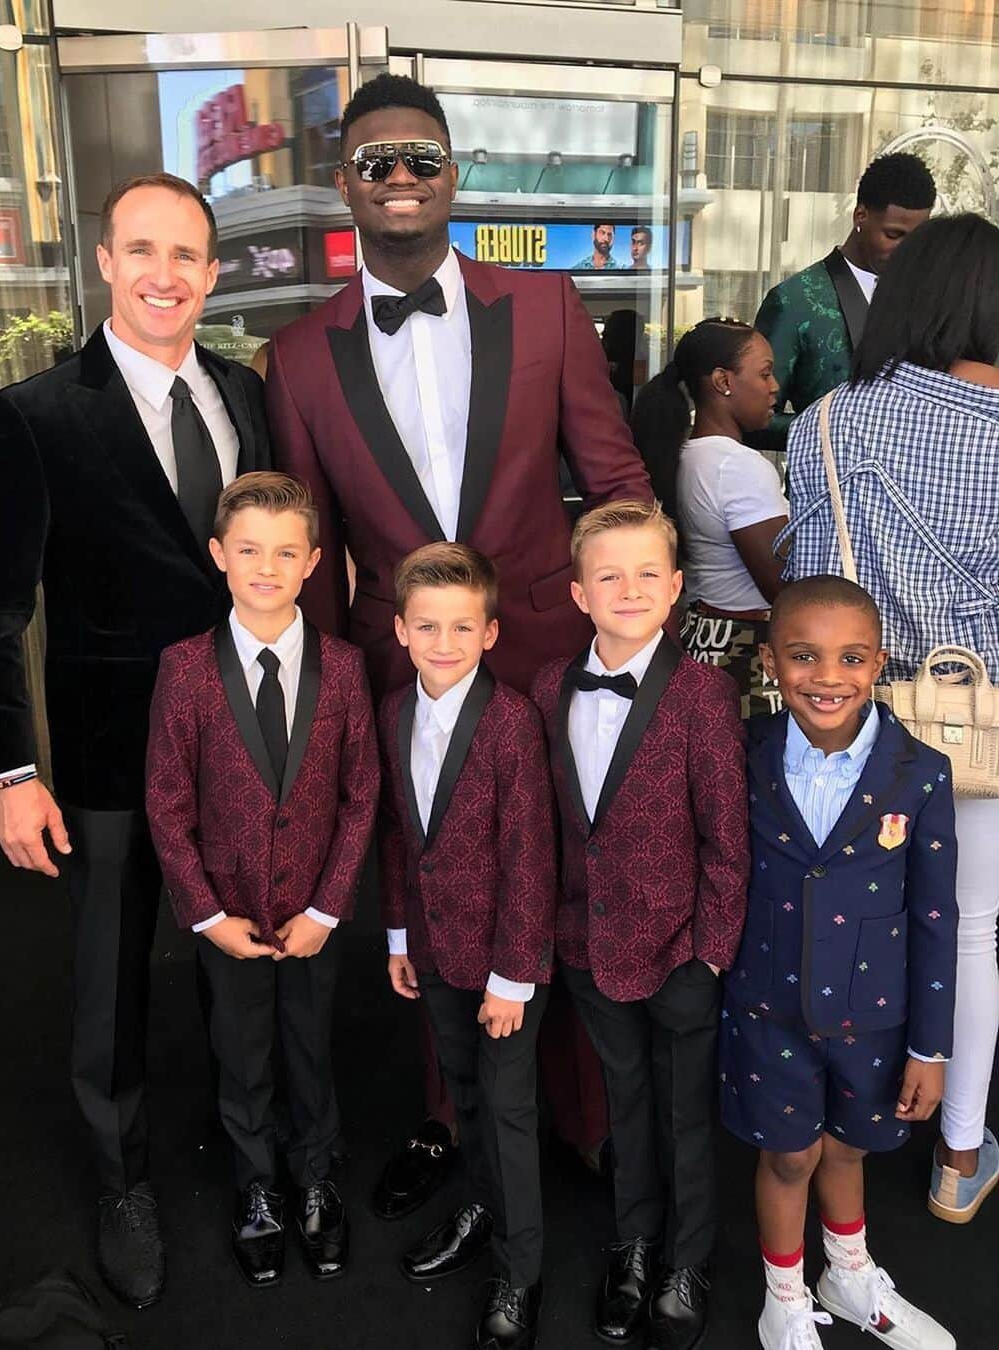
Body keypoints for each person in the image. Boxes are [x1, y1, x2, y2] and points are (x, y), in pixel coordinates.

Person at [266, 72, 650, 1219]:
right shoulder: (296, 358)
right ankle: (454, 1115)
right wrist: (333, 710)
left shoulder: (542, 306)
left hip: (543, 651)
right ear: (345, 183)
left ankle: (583, 1120)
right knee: (437, 894)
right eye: (376, 161)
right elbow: (318, 551)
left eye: (422, 158)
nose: (399, 178)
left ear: (455, 176)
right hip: (399, 671)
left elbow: (616, 478)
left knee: (564, 876)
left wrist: (632, 639)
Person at [0, 172, 272, 1307]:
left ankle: (260, 1163)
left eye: (186, 254)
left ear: (214, 271)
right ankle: (119, 1175)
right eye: (142, 250)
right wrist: (11, 772)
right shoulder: (35, 416)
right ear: (103, 262)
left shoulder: (247, 393)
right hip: (104, 752)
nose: (165, 275)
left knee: (246, 964)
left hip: (244, 739)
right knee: (111, 982)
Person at [778, 212, 999, 1228]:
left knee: (852, 920)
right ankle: (958, 1155)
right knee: (972, 931)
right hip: (980, 732)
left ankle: (828, 1124)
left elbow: (807, 587)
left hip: (850, 720)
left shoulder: (825, 421)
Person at [145, 472, 378, 1290]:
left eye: (286, 552)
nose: (267, 567)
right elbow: (167, 804)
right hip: (228, 914)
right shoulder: (183, 668)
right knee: (240, 1054)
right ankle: (257, 1191)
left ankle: (315, 1178)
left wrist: (328, 906)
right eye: (249, 550)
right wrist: (205, 916)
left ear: (314, 561)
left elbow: (362, 796)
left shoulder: (344, 669)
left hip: (312, 913)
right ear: (219, 556)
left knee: (311, 1049)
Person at [532, 500, 749, 1350]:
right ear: (580, 593)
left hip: (680, 951)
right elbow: (554, 823)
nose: (629, 588)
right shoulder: (551, 686)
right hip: (587, 943)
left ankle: (687, 1260)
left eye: (647, 574)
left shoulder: (702, 695)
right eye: (609, 575)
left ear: (677, 589)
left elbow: (726, 841)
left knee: (687, 1113)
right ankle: (634, 1244)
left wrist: (710, 953)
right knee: (624, 1102)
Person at [722, 576, 957, 1350]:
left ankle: (848, 1273)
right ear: (769, 663)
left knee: (851, 1146)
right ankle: (784, 1296)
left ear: (879, 662)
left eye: (851, 657)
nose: (828, 677)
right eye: (804, 656)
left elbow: (933, 918)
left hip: (875, 1018)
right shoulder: (743, 756)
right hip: (768, 1007)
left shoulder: (919, 773)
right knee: (788, 1157)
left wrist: (929, 1045)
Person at [377, 543, 555, 1350]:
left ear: (488, 633)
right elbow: (397, 835)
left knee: (510, 1109)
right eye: (427, 627)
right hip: (435, 950)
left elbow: (529, 856)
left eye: (460, 627)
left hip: (502, 966)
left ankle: (521, 1273)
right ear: (401, 631)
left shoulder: (512, 723)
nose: (442, 642)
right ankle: (482, 1207)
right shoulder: (393, 712)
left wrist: (513, 978)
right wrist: (397, 934)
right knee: (466, 1094)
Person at [632, 318, 786, 718]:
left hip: (698, 637)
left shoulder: (684, 456)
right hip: (746, 652)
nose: (775, 387)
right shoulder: (738, 467)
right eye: (765, 373)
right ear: (723, 381)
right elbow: (780, 584)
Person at [753, 153, 935, 450]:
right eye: (893, 235)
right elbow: (754, 420)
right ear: (860, 215)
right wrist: (840, 428)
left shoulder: (932, 297)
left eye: (917, 239)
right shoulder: (793, 301)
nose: (907, 251)